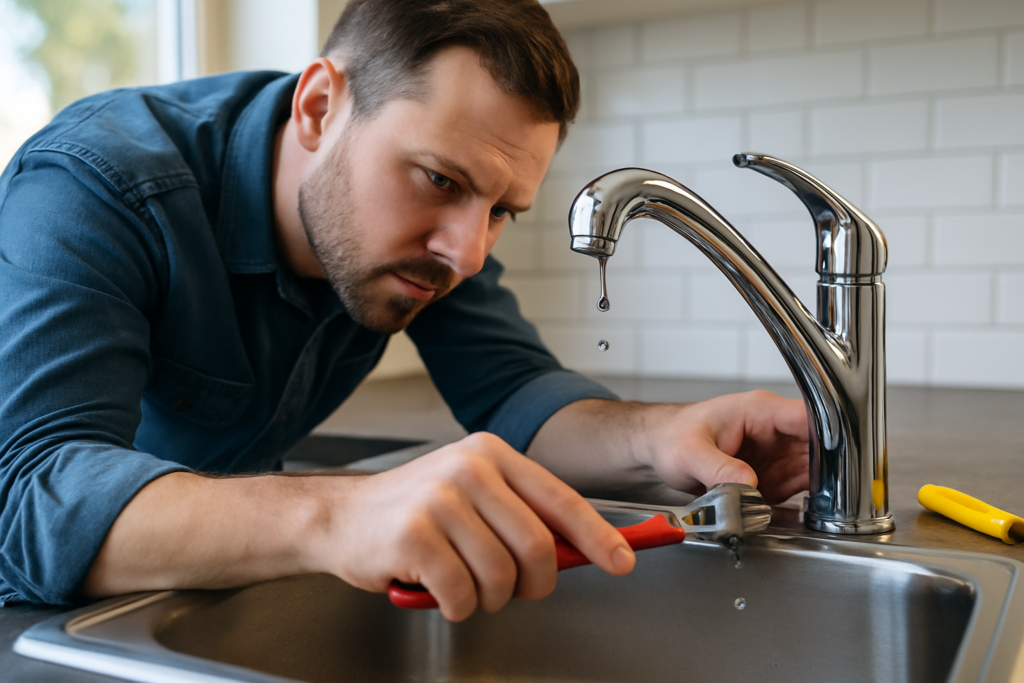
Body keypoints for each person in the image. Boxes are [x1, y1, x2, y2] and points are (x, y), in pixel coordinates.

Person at [0, 0, 809, 622]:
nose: (467, 252)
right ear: (319, 107)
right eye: (440, 181)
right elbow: (30, 497)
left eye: (502, 210)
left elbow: (514, 393)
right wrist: (340, 510)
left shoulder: (421, 248)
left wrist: (658, 437)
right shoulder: (96, 185)